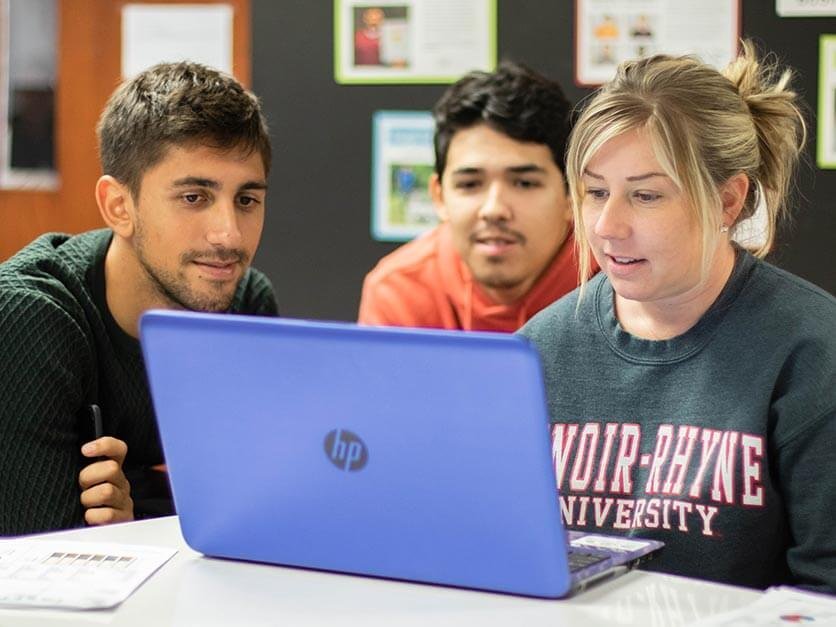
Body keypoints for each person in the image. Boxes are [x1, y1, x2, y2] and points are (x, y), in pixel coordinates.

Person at [520, 43, 835, 592]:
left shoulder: (813, 351)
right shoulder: (537, 351)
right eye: (595, 192)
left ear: (728, 201)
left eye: (645, 196)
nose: (608, 226)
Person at [0, 62, 278, 536]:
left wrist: (134, 521)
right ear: (118, 206)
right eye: (194, 197)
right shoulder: (32, 315)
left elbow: (256, 502)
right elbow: (35, 556)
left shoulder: (246, 303)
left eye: (247, 200)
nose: (229, 235)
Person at [359, 61, 593, 332]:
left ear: (573, 196)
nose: (494, 209)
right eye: (470, 184)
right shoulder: (400, 292)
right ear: (439, 197)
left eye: (525, 183)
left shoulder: (621, 284)